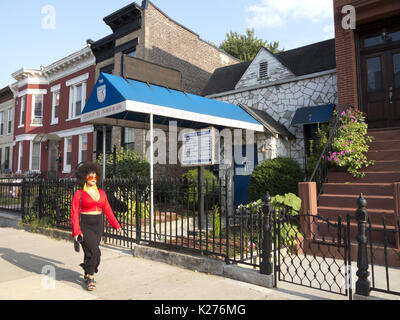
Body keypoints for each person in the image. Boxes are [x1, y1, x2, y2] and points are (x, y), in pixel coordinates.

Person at [71, 162, 121, 291]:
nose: (93, 179)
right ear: (84, 178)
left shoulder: (102, 193)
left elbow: (108, 210)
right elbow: (75, 214)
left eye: (95, 177)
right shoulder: (79, 194)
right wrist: (76, 231)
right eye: (90, 177)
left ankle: (87, 273)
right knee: (94, 252)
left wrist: (116, 224)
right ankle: (91, 277)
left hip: (98, 225)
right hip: (85, 225)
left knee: (91, 252)